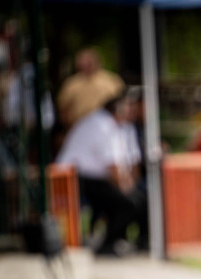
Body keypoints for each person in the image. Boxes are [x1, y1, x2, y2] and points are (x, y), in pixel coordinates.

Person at [55, 89, 148, 255]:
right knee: (127, 203)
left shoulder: (116, 126)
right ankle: (108, 244)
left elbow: (124, 164)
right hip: (75, 178)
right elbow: (112, 168)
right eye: (127, 107)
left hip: (91, 177)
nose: (130, 112)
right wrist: (127, 189)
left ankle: (128, 240)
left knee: (138, 199)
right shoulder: (102, 125)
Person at [56, 47, 125, 130]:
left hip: (108, 126)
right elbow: (63, 109)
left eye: (89, 61)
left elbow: (121, 103)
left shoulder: (112, 81)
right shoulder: (71, 83)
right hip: (79, 127)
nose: (87, 64)